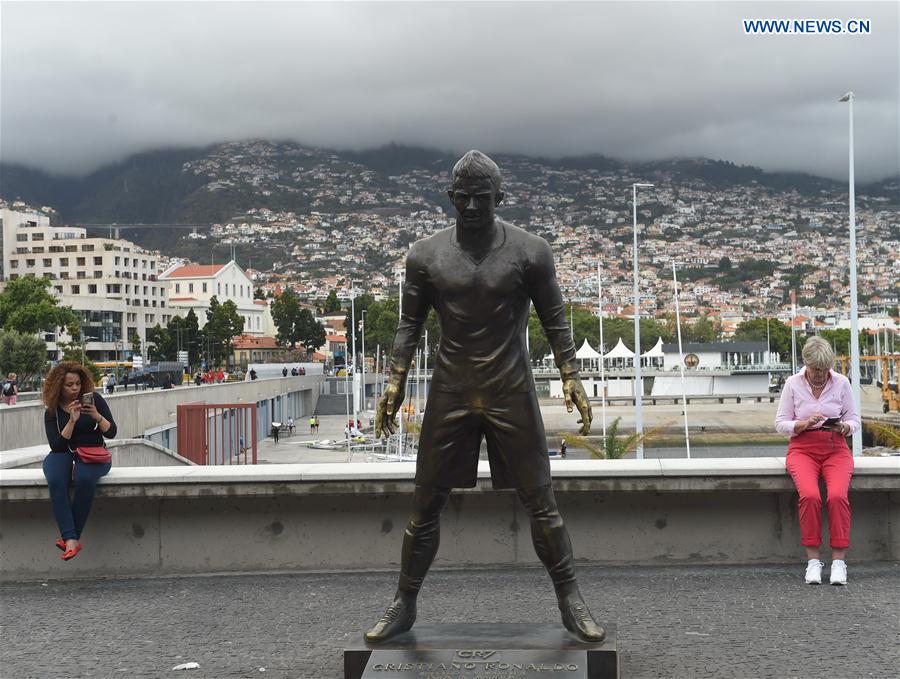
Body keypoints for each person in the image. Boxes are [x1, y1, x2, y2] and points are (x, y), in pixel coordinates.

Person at [366, 151, 600, 644]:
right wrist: (394, 380)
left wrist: (571, 374)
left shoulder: (531, 252)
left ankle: (571, 599)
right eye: (462, 197)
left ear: (500, 197)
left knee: (541, 500)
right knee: (424, 503)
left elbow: (555, 319)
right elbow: (410, 324)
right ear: (451, 198)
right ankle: (403, 603)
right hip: (450, 388)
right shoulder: (425, 256)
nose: (471, 206)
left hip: (510, 388)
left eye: (482, 197)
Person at [775, 336, 859, 586]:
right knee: (810, 496)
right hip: (803, 448)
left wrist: (844, 427)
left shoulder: (842, 383)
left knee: (837, 496)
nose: (820, 375)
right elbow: (780, 423)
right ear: (806, 365)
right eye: (816, 370)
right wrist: (802, 424)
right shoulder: (792, 384)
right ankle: (813, 561)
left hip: (836, 448)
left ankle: (839, 562)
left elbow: (855, 421)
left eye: (824, 370)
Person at [41, 361, 117, 561]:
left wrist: (97, 416)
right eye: (69, 385)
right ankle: (72, 539)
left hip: (93, 453)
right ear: (58, 386)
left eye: (77, 383)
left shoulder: (95, 400)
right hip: (63, 453)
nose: (75, 388)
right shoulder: (52, 411)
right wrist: (72, 421)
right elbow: (56, 445)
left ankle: (70, 538)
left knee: (84, 479)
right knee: (57, 480)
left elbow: (111, 432)